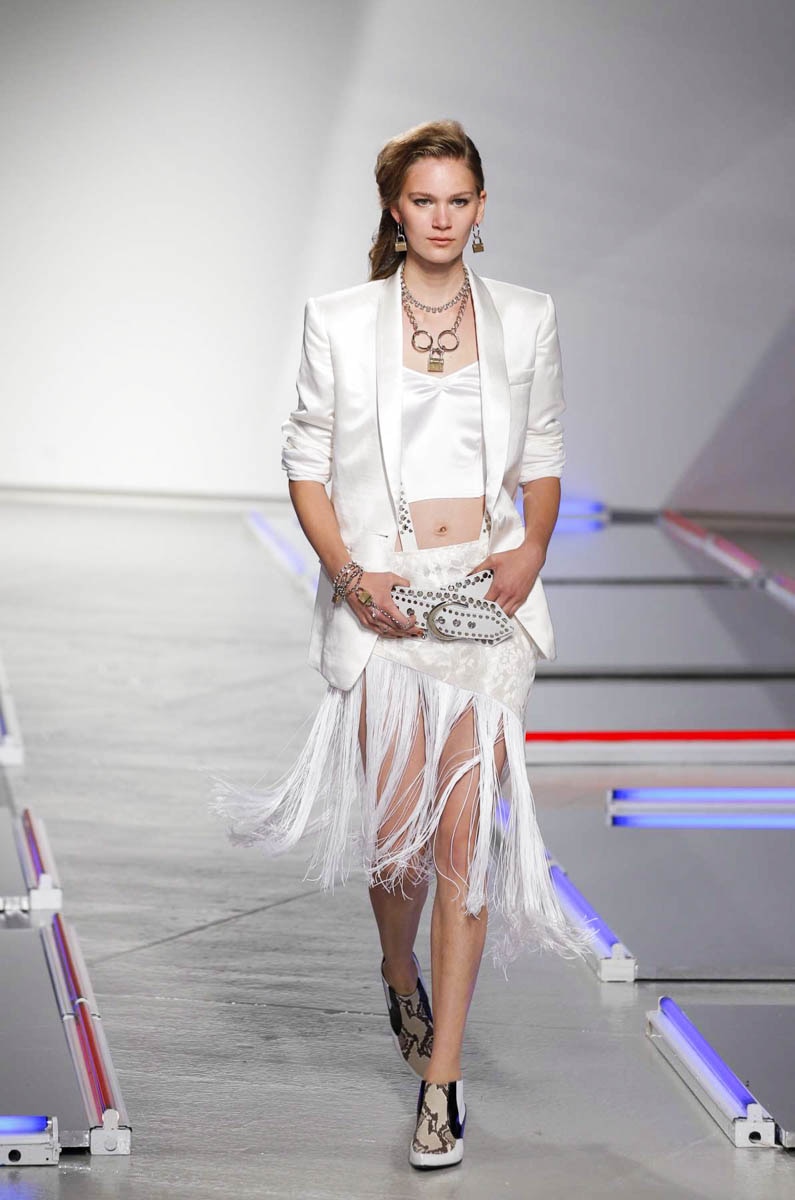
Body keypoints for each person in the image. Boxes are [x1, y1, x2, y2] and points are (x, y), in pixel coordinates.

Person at [211, 118, 593, 1171]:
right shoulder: (341, 320)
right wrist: (350, 576)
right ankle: (395, 969)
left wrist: (531, 550)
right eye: (423, 200)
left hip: (483, 599)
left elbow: (546, 451)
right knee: (399, 847)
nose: (441, 217)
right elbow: (304, 463)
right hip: (387, 603)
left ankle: (442, 1083)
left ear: (481, 208)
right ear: (395, 208)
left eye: (458, 200)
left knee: (464, 842)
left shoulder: (525, 316)